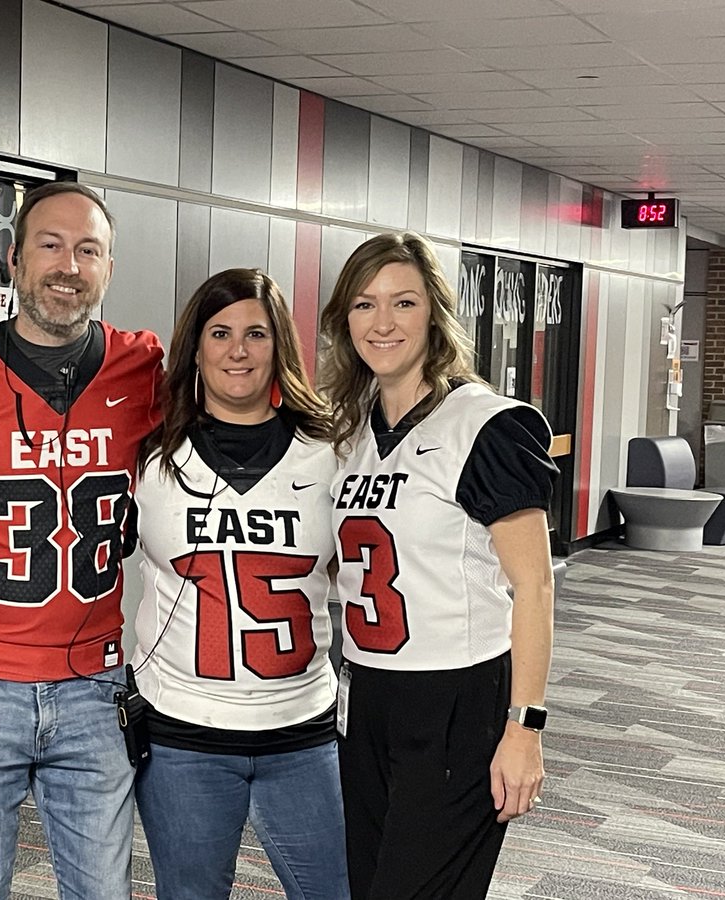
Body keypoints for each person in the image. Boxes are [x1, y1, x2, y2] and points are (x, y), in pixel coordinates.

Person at [0, 181, 163, 899]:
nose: (69, 265)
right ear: (13, 261)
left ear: (110, 268)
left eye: (88, 250)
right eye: (51, 246)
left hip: (95, 683)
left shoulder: (144, 367)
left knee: (103, 891)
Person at [317, 232, 557, 899]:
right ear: (345, 321)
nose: (383, 322)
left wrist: (525, 727)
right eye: (364, 305)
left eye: (404, 302)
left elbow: (533, 587)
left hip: (456, 698)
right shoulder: (348, 431)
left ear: (436, 315)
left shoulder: (486, 426)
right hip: (363, 696)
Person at [131, 268, 351, 900]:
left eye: (257, 334)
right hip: (183, 731)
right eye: (220, 332)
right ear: (194, 347)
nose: (238, 350)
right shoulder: (149, 454)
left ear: (281, 345)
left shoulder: (330, 451)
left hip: (302, 727)